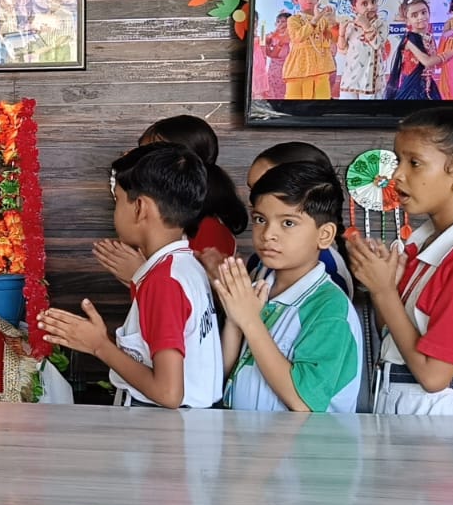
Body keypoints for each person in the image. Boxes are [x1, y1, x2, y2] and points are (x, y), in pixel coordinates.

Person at [350, 107, 453, 416]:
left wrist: (384, 291)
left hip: (435, 413)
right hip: (399, 400)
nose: (397, 174)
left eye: (414, 163)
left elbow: (433, 377)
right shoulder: (423, 245)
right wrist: (384, 284)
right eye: (398, 159)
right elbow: (390, 331)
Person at [39, 143, 223, 409]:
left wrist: (99, 345)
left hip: (165, 435)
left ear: (140, 208)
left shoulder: (164, 281)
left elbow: (169, 393)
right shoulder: (187, 265)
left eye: (117, 200)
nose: (115, 211)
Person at [213, 162, 363, 412]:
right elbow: (223, 376)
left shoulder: (329, 307)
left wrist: (250, 321)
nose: (268, 234)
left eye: (288, 223)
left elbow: (303, 401)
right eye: (260, 219)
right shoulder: (258, 283)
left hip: (303, 449)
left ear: (324, 235)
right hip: (251, 442)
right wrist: (234, 319)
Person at [96, 116, 248, 282]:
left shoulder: (209, 230)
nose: (137, 159)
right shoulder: (169, 216)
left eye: (148, 154)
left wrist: (140, 274)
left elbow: (197, 298)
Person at [243, 142, 353, 294]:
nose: (255, 200)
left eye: (288, 222)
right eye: (253, 189)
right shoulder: (268, 256)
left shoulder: (329, 278)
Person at [284, 0, 338, 99]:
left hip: (321, 67)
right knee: (295, 106)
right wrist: (314, 20)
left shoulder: (323, 19)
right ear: (295, 0)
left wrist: (332, 22)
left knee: (321, 104)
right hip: (298, 68)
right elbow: (297, 37)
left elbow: (331, 40)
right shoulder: (293, 19)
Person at [387, 0, 443, 100]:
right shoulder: (409, 39)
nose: (421, 17)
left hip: (428, 84)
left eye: (423, 12)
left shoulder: (428, 37)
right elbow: (427, 61)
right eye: (414, 15)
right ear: (407, 21)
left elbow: (435, 64)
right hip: (413, 87)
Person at [337, 0, 389, 100]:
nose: (371, 7)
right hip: (350, 77)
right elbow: (342, 50)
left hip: (370, 79)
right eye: (364, 4)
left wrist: (366, 25)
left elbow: (377, 44)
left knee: (370, 112)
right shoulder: (351, 25)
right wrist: (341, 33)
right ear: (354, 8)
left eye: (373, 1)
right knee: (348, 112)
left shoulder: (381, 24)